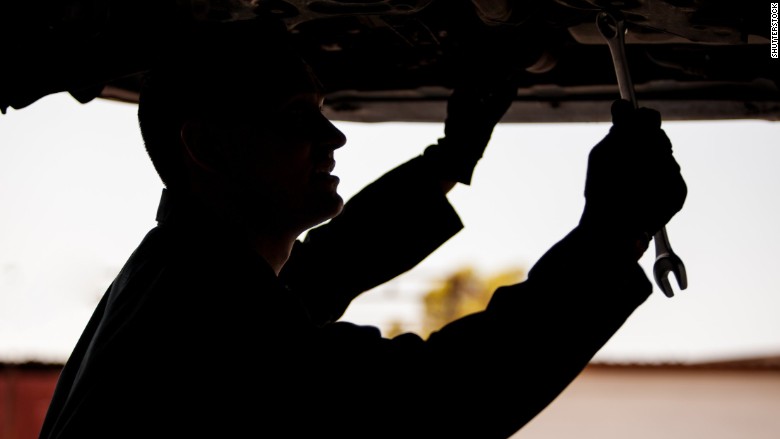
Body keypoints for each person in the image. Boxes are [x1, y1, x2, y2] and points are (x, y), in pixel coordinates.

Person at [38, 16, 686, 439]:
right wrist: (613, 233)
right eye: (297, 117)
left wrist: (449, 162)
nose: (334, 134)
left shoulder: (180, 275)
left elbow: (325, 269)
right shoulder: (205, 312)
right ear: (206, 145)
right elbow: (435, 402)